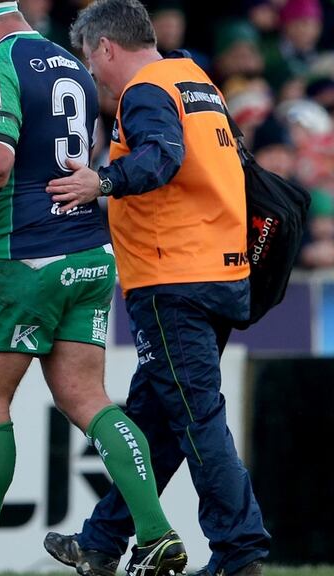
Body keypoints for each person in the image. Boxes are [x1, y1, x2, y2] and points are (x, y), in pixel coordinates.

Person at [0, 2, 185, 575]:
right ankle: (156, 533)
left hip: (20, 255)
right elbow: (90, 146)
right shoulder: (72, 63)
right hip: (89, 253)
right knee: (89, 399)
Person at [43, 1, 270, 575]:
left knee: (197, 419)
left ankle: (239, 552)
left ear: (104, 49)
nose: (93, 78)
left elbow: (160, 157)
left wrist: (104, 180)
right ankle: (101, 542)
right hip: (219, 272)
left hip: (174, 282)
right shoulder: (194, 79)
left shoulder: (144, 90)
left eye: (90, 66)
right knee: (158, 420)